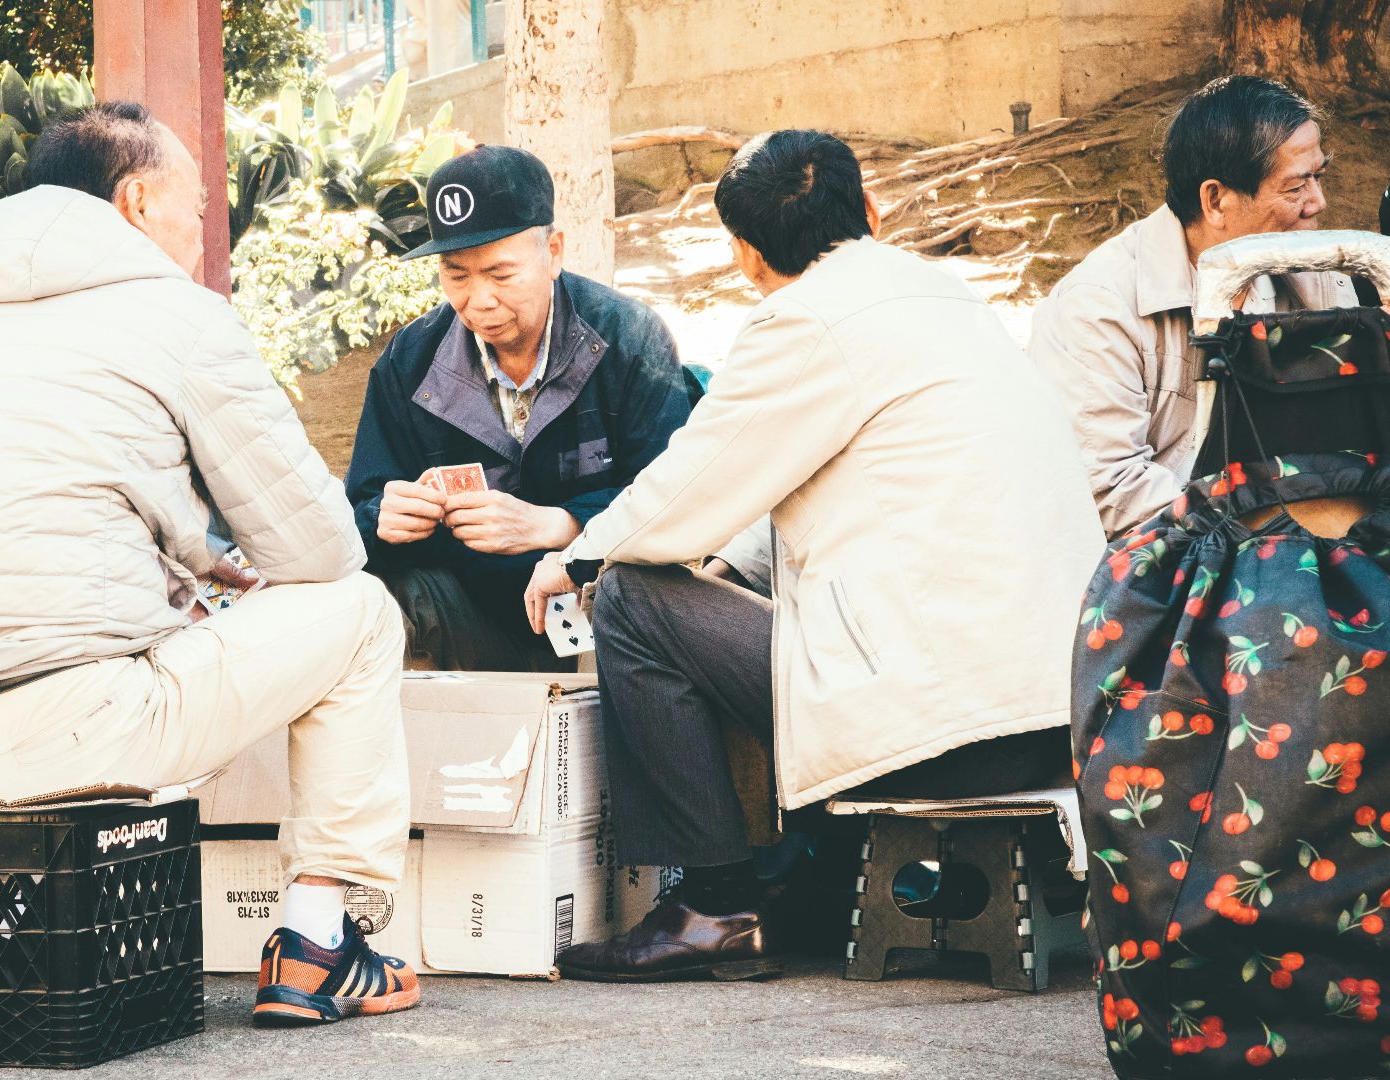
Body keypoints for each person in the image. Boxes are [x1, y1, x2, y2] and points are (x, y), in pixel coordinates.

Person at [0, 102, 420, 1027]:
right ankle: (318, 946)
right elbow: (321, 551)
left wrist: (194, 560)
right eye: (198, 209)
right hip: (69, 743)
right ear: (138, 200)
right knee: (359, 612)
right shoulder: (178, 314)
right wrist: (228, 560)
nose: (201, 233)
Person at [523, 130, 1105, 982]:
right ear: (871, 209)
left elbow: (696, 482)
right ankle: (804, 877)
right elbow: (825, 483)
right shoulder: (945, 299)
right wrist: (727, 574)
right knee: (732, 610)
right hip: (1063, 715)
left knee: (634, 601)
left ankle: (713, 906)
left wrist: (580, 558)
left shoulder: (804, 320)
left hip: (953, 731)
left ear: (746, 256)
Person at [344, 146, 691, 672]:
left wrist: (564, 525)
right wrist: (380, 518)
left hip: (604, 617)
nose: (479, 300)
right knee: (369, 599)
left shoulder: (629, 338)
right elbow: (358, 513)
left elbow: (675, 496)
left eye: (500, 274)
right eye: (456, 275)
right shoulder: (408, 361)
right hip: (468, 618)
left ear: (553, 252)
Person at [1031, 75, 1357, 538]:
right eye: (1295, 187)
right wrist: (1274, 528)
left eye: (1318, 177)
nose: (1317, 203)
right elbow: (1110, 491)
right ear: (1216, 200)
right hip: (1171, 554)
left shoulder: (1312, 274)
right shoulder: (1098, 308)